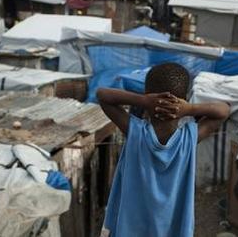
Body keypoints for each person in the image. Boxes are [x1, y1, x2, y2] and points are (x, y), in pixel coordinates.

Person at [97, 63, 230, 237]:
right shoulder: (189, 138)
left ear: (148, 95)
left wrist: (144, 101)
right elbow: (224, 110)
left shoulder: (136, 131)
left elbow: (102, 94)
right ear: (185, 99)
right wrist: (189, 109)